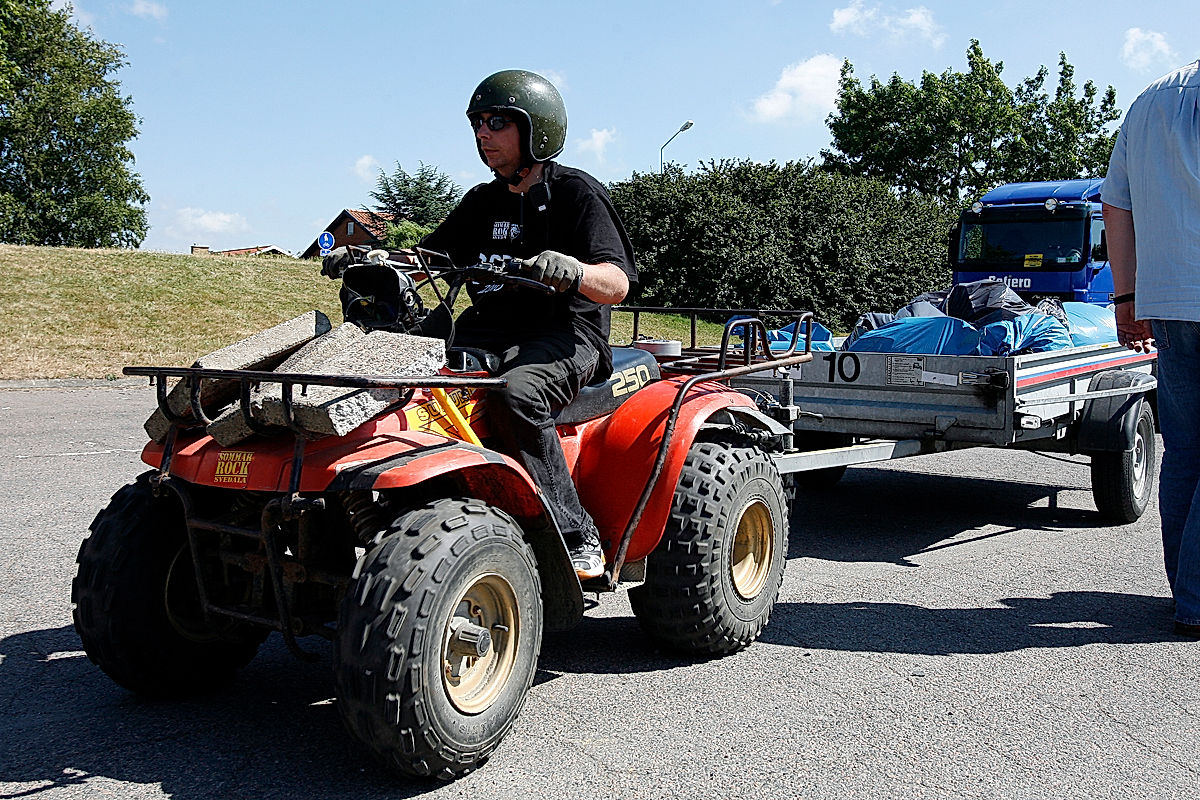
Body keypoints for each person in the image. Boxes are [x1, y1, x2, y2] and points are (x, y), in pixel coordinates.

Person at [329, 69, 637, 580]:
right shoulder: (482, 201)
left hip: (563, 336)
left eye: (496, 122)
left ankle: (575, 531)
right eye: (477, 123)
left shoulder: (577, 194)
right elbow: (427, 256)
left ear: (536, 128)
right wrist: (370, 256)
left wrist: (575, 270)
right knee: (397, 362)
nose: (482, 134)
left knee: (517, 393)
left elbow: (618, 283)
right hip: (486, 328)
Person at [1102, 59, 1200, 638]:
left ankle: (1183, 589)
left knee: (1186, 448)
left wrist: (1127, 297)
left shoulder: (1149, 101)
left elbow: (1116, 203)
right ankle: (1193, 598)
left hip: (1166, 299)